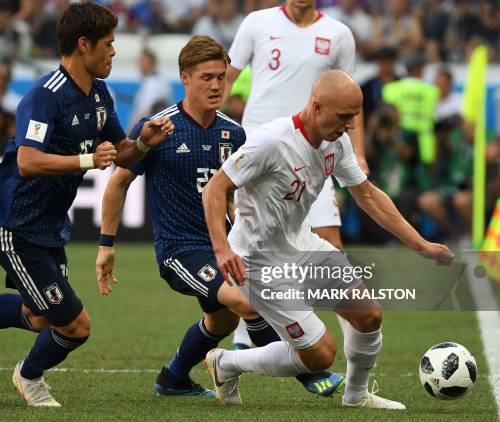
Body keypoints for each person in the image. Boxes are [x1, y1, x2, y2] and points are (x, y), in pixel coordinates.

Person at [0, 3, 174, 408]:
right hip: (16, 227)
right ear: (84, 46)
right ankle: (29, 377)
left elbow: (121, 154)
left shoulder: (99, 94)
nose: (114, 52)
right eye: (109, 44)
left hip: (48, 227)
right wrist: (86, 160)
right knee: (76, 325)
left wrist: (145, 142)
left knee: (39, 318)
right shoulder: (44, 99)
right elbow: (28, 161)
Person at [96, 35, 343, 399]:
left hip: (226, 244)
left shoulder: (234, 131)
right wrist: (106, 245)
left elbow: (234, 196)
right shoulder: (158, 128)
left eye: (221, 77)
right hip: (180, 251)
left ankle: (174, 378)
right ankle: (307, 373)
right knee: (245, 301)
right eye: (206, 77)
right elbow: (118, 183)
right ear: (184, 77)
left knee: (221, 319)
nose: (216, 85)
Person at [201, 70, 454, 409]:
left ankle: (356, 396)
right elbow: (215, 188)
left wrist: (420, 245)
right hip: (258, 262)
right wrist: (221, 248)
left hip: (303, 246)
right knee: (320, 356)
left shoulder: (337, 141)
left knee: (369, 316)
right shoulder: (272, 140)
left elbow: (367, 195)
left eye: (355, 116)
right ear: (317, 106)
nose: (351, 125)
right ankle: (226, 363)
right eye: (345, 116)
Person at [223, 0, 368, 349]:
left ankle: (356, 350)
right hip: (263, 156)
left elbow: (351, 102)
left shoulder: (338, 34)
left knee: (332, 249)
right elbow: (226, 78)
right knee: (254, 250)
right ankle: (245, 337)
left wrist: (359, 152)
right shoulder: (256, 23)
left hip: (317, 152)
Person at [129, 49, 172, 128]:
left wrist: (132, 132)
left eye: (143, 62)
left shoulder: (154, 83)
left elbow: (145, 113)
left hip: (149, 131)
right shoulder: (158, 81)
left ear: (152, 63)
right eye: (139, 62)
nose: (140, 65)